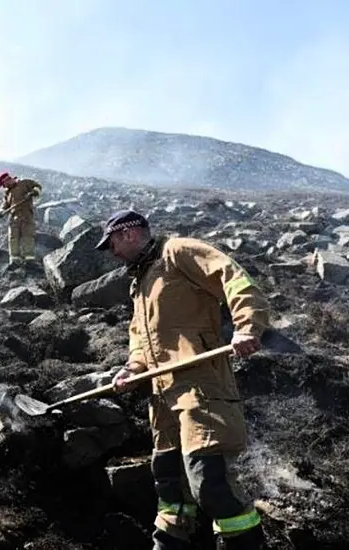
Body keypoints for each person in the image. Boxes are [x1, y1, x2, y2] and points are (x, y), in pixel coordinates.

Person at [97, 209, 269, 550]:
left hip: (200, 388)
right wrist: (132, 369)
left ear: (129, 234)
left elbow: (232, 277)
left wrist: (247, 326)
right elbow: (140, 341)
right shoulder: (140, 284)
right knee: (170, 490)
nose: (113, 252)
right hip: (161, 399)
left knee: (211, 485)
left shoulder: (177, 252)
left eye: (113, 242)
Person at [0, 171, 42, 267]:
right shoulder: (7, 192)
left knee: (27, 236)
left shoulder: (25, 183)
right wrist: (0, 211)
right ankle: (15, 260)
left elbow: (38, 186)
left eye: (4, 184)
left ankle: (29, 259)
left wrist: (34, 192)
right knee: (13, 238)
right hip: (14, 217)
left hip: (26, 215)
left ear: (8, 180)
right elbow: (5, 205)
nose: (4, 186)